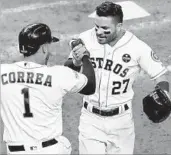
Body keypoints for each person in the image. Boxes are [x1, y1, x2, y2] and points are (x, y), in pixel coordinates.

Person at [64, 1, 170, 154]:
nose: (99, 32)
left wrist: (164, 94)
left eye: (105, 28)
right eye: (97, 26)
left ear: (119, 26)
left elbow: (160, 75)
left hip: (122, 123)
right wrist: (76, 61)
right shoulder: (85, 38)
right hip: (90, 120)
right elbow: (67, 73)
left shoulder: (136, 47)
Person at [0, 23, 95, 154]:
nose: (51, 51)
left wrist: (75, 63)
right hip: (49, 150)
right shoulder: (58, 74)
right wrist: (84, 58)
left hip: (16, 152)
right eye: (49, 45)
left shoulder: (2, 72)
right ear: (44, 48)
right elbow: (90, 86)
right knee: (64, 144)